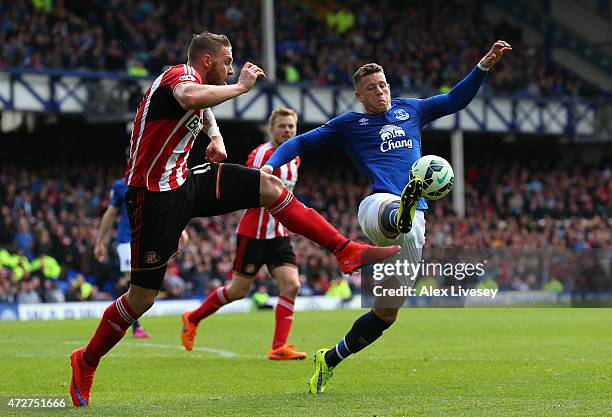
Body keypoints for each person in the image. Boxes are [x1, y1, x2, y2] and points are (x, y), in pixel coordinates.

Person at [68, 31, 400, 407]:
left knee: (269, 187)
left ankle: (345, 250)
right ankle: (87, 359)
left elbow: (200, 107)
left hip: (185, 180)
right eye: (227, 62)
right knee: (142, 298)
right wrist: (241, 88)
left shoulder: (190, 80)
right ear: (207, 61)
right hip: (153, 198)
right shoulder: (178, 77)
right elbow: (190, 97)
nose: (231, 67)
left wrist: (215, 135)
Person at [263, 40, 512, 394]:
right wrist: (271, 165)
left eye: (383, 85)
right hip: (377, 206)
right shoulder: (349, 123)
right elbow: (301, 142)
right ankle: (404, 208)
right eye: (370, 88)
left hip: (414, 226)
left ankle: (330, 358)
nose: (379, 91)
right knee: (394, 214)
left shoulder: (411, 110)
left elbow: (454, 100)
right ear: (358, 96)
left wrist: (483, 66)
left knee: (385, 314)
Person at [181, 107, 308, 360]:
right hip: (254, 233)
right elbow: (249, 188)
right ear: (271, 129)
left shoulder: (295, 157)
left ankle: (278, 347)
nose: (287, 130)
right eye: (282, 126)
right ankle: (192, 318)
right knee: (238, 290)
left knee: (291, 284)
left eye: (291, 127)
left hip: (279, 235)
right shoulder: (262, 154)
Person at [94, 177, 150, 338]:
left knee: (141, 285)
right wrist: (100, 241)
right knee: (133, 281)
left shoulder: (152, 179)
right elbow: (110, 214)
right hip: (127, 240)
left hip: (146, 240)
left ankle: (119, 319)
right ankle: (130, 325)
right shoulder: (121, 185)